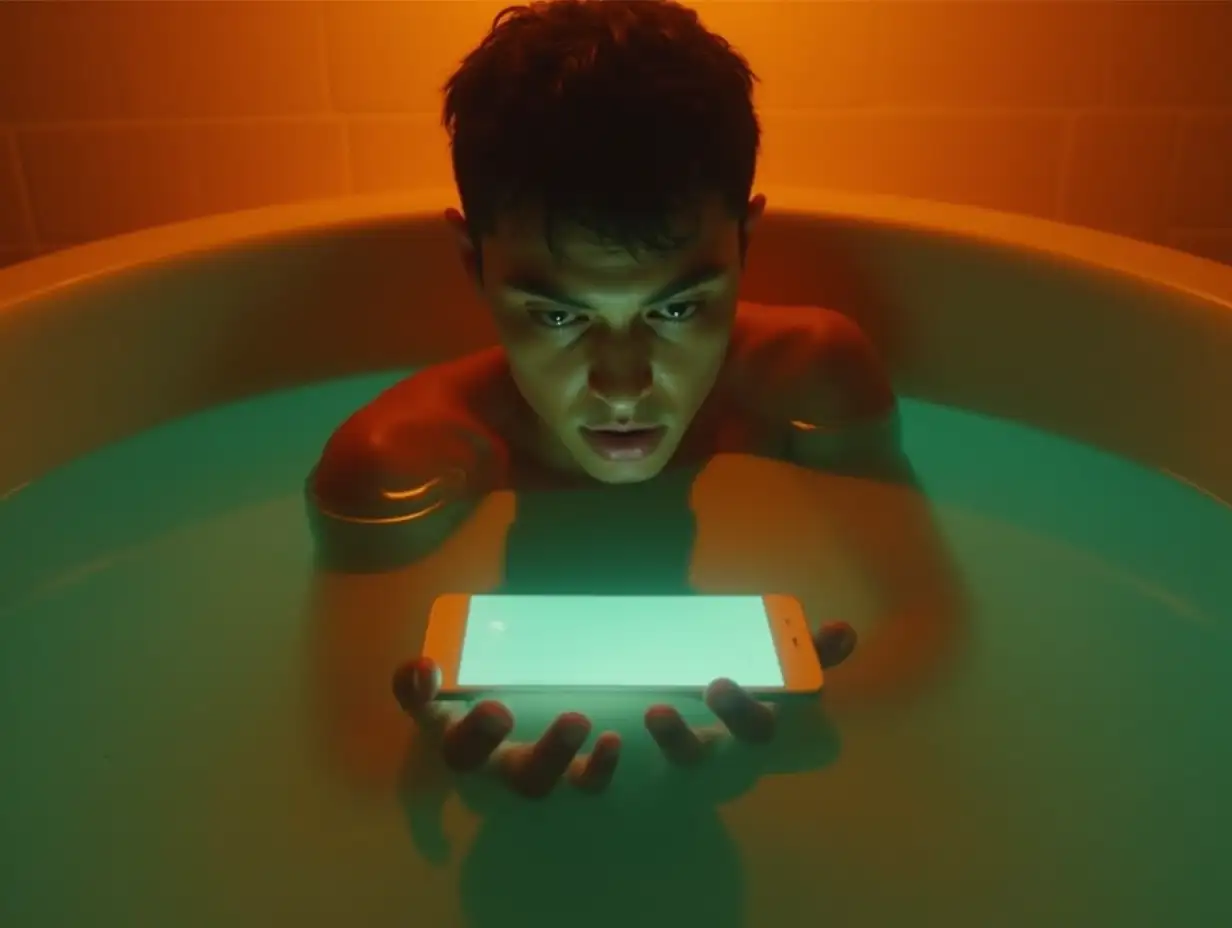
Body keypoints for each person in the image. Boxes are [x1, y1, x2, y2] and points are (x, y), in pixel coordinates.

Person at [307, 0, 963, 800]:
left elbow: (930, 630)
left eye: (676, 309)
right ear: (471, 263)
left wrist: (812, 720)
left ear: (746, 243)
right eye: (558, 315)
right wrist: (459, 768)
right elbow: (354, 741)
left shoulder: (809, 385)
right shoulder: (398, 470)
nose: (623, 386)